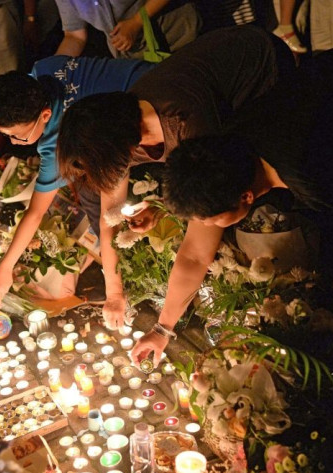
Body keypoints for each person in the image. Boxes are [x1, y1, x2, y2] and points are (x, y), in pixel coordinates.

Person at [131, 44, 333, 367]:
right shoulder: (226, 147)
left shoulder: (315, 175)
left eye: (212, 219)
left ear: (246, 197)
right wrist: (162, 329)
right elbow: (193, 254)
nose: (208, 227)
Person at [56, 25, 293, 331]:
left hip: (262, 64)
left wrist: (163, 328)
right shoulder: (120, 125)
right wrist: (114, 292)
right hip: (226, 62)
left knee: (240, 188)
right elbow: (108, 216)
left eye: (99, 167)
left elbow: (197, 251)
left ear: (118, 150)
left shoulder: (190, 124)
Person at [0, 55, 155, 304]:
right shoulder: (42, 69)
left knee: (101, 202)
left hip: (150, 120)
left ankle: (133, 275)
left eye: (17, 137)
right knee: (88, 192)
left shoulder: (59, 139)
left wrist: (114, 295)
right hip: (156, 73)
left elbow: (37, 212)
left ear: (44, 116)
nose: (13, 143)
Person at [54, 0, 200, 58]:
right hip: (132, 58)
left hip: (177, 34)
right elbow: (74, 36)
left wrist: (136, 22)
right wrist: (51, 68)